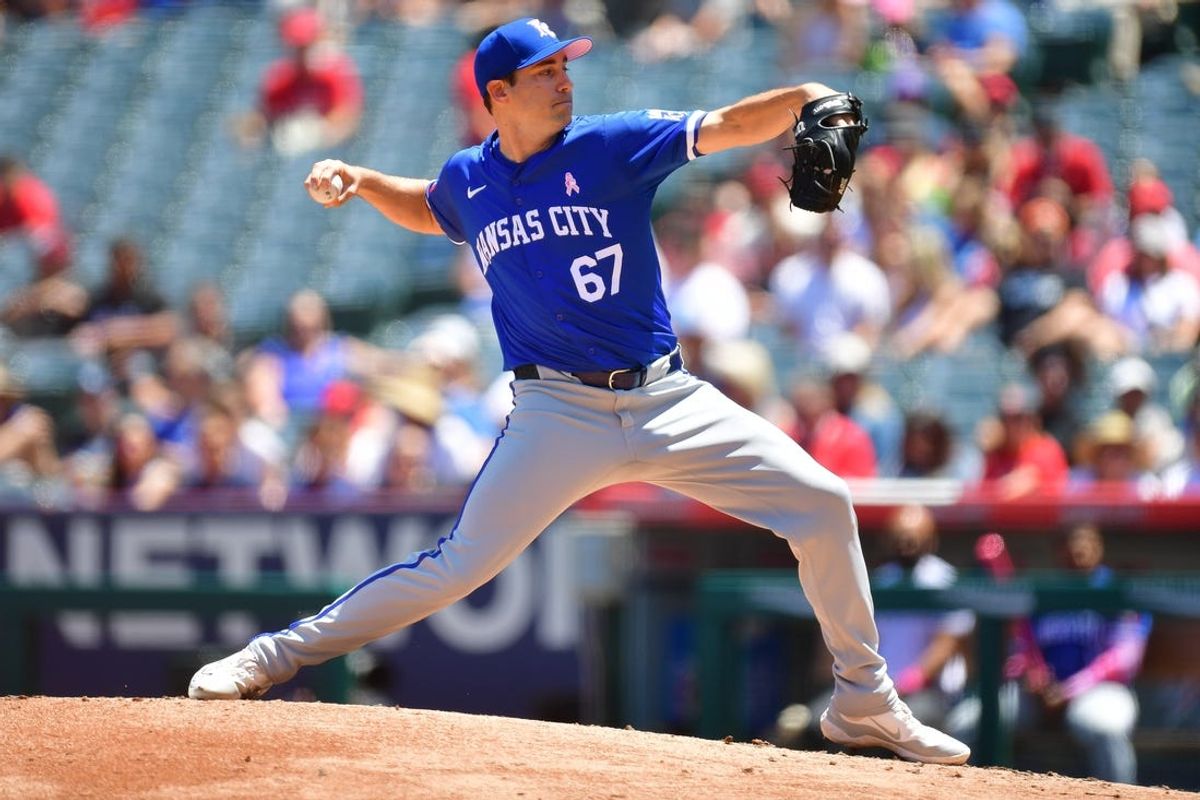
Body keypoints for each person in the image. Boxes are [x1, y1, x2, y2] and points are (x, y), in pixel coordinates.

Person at [188, 17, 970, 766]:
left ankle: (862, 698)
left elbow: (729, 124)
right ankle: (267, 658)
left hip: (667, 399)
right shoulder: (472, 178)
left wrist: (801, 96)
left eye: (567, 66)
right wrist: (360, 180)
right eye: (545, 71)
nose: (565, 81)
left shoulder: (611, 145)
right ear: (496, 93)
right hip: (556, 413)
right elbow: (429, 205)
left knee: (823, 502)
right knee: (454, 566)